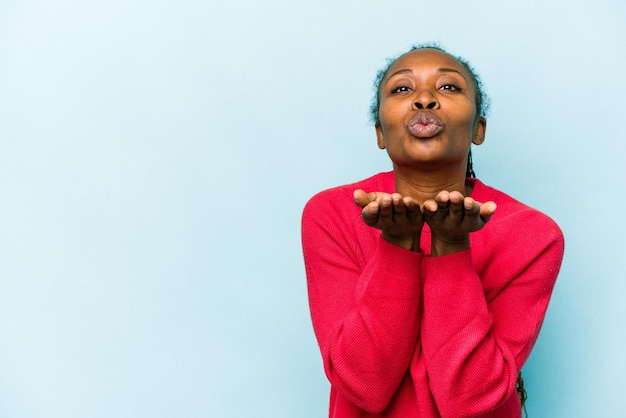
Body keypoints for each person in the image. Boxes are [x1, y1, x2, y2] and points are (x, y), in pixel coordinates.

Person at [301, 44, 565, 418]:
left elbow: (468, 400)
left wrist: (452, 246)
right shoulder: (334, 215)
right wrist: (396, 246)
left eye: (448, 88)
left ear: (478, 129)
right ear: (380, 132)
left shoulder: (531, 234)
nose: (425, 99)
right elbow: (364, 386)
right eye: (403, 89)